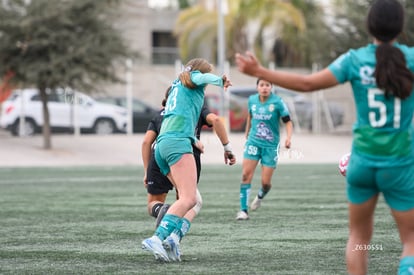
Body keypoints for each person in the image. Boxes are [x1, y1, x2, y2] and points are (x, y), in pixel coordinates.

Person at [235, 0, 414, 274]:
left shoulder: (354, 59)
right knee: (410, 242)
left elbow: (307, 84)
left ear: (369, 26)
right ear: (402, 26)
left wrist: (259, 71)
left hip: (362, 163)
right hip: (400, 163)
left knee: (359, 239)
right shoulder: (410, 59)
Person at [141, 58, 232, 262]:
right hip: (176, 145)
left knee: (194, 200)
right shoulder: (194, 78)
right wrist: (220, 80)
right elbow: (202, 76)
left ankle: (173, 239)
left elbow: (178, 118)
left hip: (163, 146)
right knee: (189, 199)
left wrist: (193, 139)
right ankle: (157, 238)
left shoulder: (176, 86)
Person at [142, 88, 236, 229]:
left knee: (153, 203)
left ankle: (162, 211)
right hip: (186, 156)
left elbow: (146, 142)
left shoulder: (160, 114)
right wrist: (227, 148)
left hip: (159, 155)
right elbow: (216, 119)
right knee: (186, 200)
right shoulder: (195, 108)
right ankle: (172, 237)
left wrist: (146, 170)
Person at [236, 78, 293, 220]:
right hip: (253, 143)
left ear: (271, 87)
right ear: (257, 87)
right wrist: (247, 131)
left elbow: (288, 121)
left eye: (267, 85)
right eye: (262, 85)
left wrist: (288, 138)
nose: (264, 88)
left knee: (266, 183)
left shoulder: (278, 102)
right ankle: (243, 211)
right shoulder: (252, 100)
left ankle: (260, 195)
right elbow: (250, 115)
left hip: (271, 146)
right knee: (245, 175)